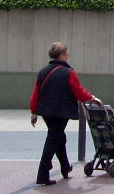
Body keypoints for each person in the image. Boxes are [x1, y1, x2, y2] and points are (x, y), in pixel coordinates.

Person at [30, 42, 98, 186]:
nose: (68, 55)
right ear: (61, 55)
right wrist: (92, 98)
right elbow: (79, 91)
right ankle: (42, 175)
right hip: (61, 112)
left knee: (59, 138)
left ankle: (65, 167)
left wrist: (34, 112)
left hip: (46, 112)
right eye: (66, 53)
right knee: (53, 140)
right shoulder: (69, 72)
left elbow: (36, 93)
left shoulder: (43, 71)